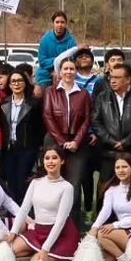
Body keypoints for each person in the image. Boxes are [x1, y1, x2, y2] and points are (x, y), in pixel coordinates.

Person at [6, 147, 79, 261]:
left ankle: (45, 255)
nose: (50, 161)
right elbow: (23, 210)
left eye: (55, 158)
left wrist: (46, 248)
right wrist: (13, 233)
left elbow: (61, 221)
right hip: (38, 231)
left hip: (61, 235)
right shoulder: (35, 183)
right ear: (43, 161)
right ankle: (36, 254)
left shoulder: (67, 187)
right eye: (47, 158)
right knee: (8, 252)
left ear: (62, 161)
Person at [91, 65, 131, 205]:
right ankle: (103, 222)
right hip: (108, 152)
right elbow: (95, 121)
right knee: (105, 189)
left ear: (128, 80)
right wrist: (111, 141)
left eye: (117, 77)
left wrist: (126, 142)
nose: (113, 81)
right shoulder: (102, 97)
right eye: (111, 77)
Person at [89, 153, 131, 261]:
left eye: (125, 167)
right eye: (118, 167)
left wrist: (115, 225)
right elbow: (105, 211)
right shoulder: (112, 190)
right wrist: (94, 227)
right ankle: (124, 259)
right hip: (123, 230)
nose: (121, 170)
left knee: (102, 234)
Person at [42, 58, 91, 199]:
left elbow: (87, 119)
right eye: (65, 69)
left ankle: (73, 219)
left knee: (73, 184)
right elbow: (47, 116)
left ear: (76, 72)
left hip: (78, 142)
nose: (68, 72)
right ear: (60, 71)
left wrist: (76, 141)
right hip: (54, 140)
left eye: (71, 69)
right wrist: (61, 141)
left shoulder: (83, 93)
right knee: (53, 180)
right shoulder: (50, 92)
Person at [0, 69, 42, 203]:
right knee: (10, 183)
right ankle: (13, 215)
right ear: (9, 85)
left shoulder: (34, 103)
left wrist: (38, 148)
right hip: (9, 149)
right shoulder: (3, 103)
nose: (16, 84)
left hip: (27, 148)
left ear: (25, 83)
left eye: (19, 81)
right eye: (13, 81)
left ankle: (25, 215)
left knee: (23, 183)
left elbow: (40, 128)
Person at [35, 11, 76, 89]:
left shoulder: (71, 41)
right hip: (45, 74)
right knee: (43, 92)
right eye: (57, 22)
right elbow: (42, 61)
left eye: (62, 22)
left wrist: (58, 70)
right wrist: (57, 61)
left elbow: (72, 60)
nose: (60, 25)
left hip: (64, 73)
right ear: (52, 23)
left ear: (66, 24)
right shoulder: (45, 39)